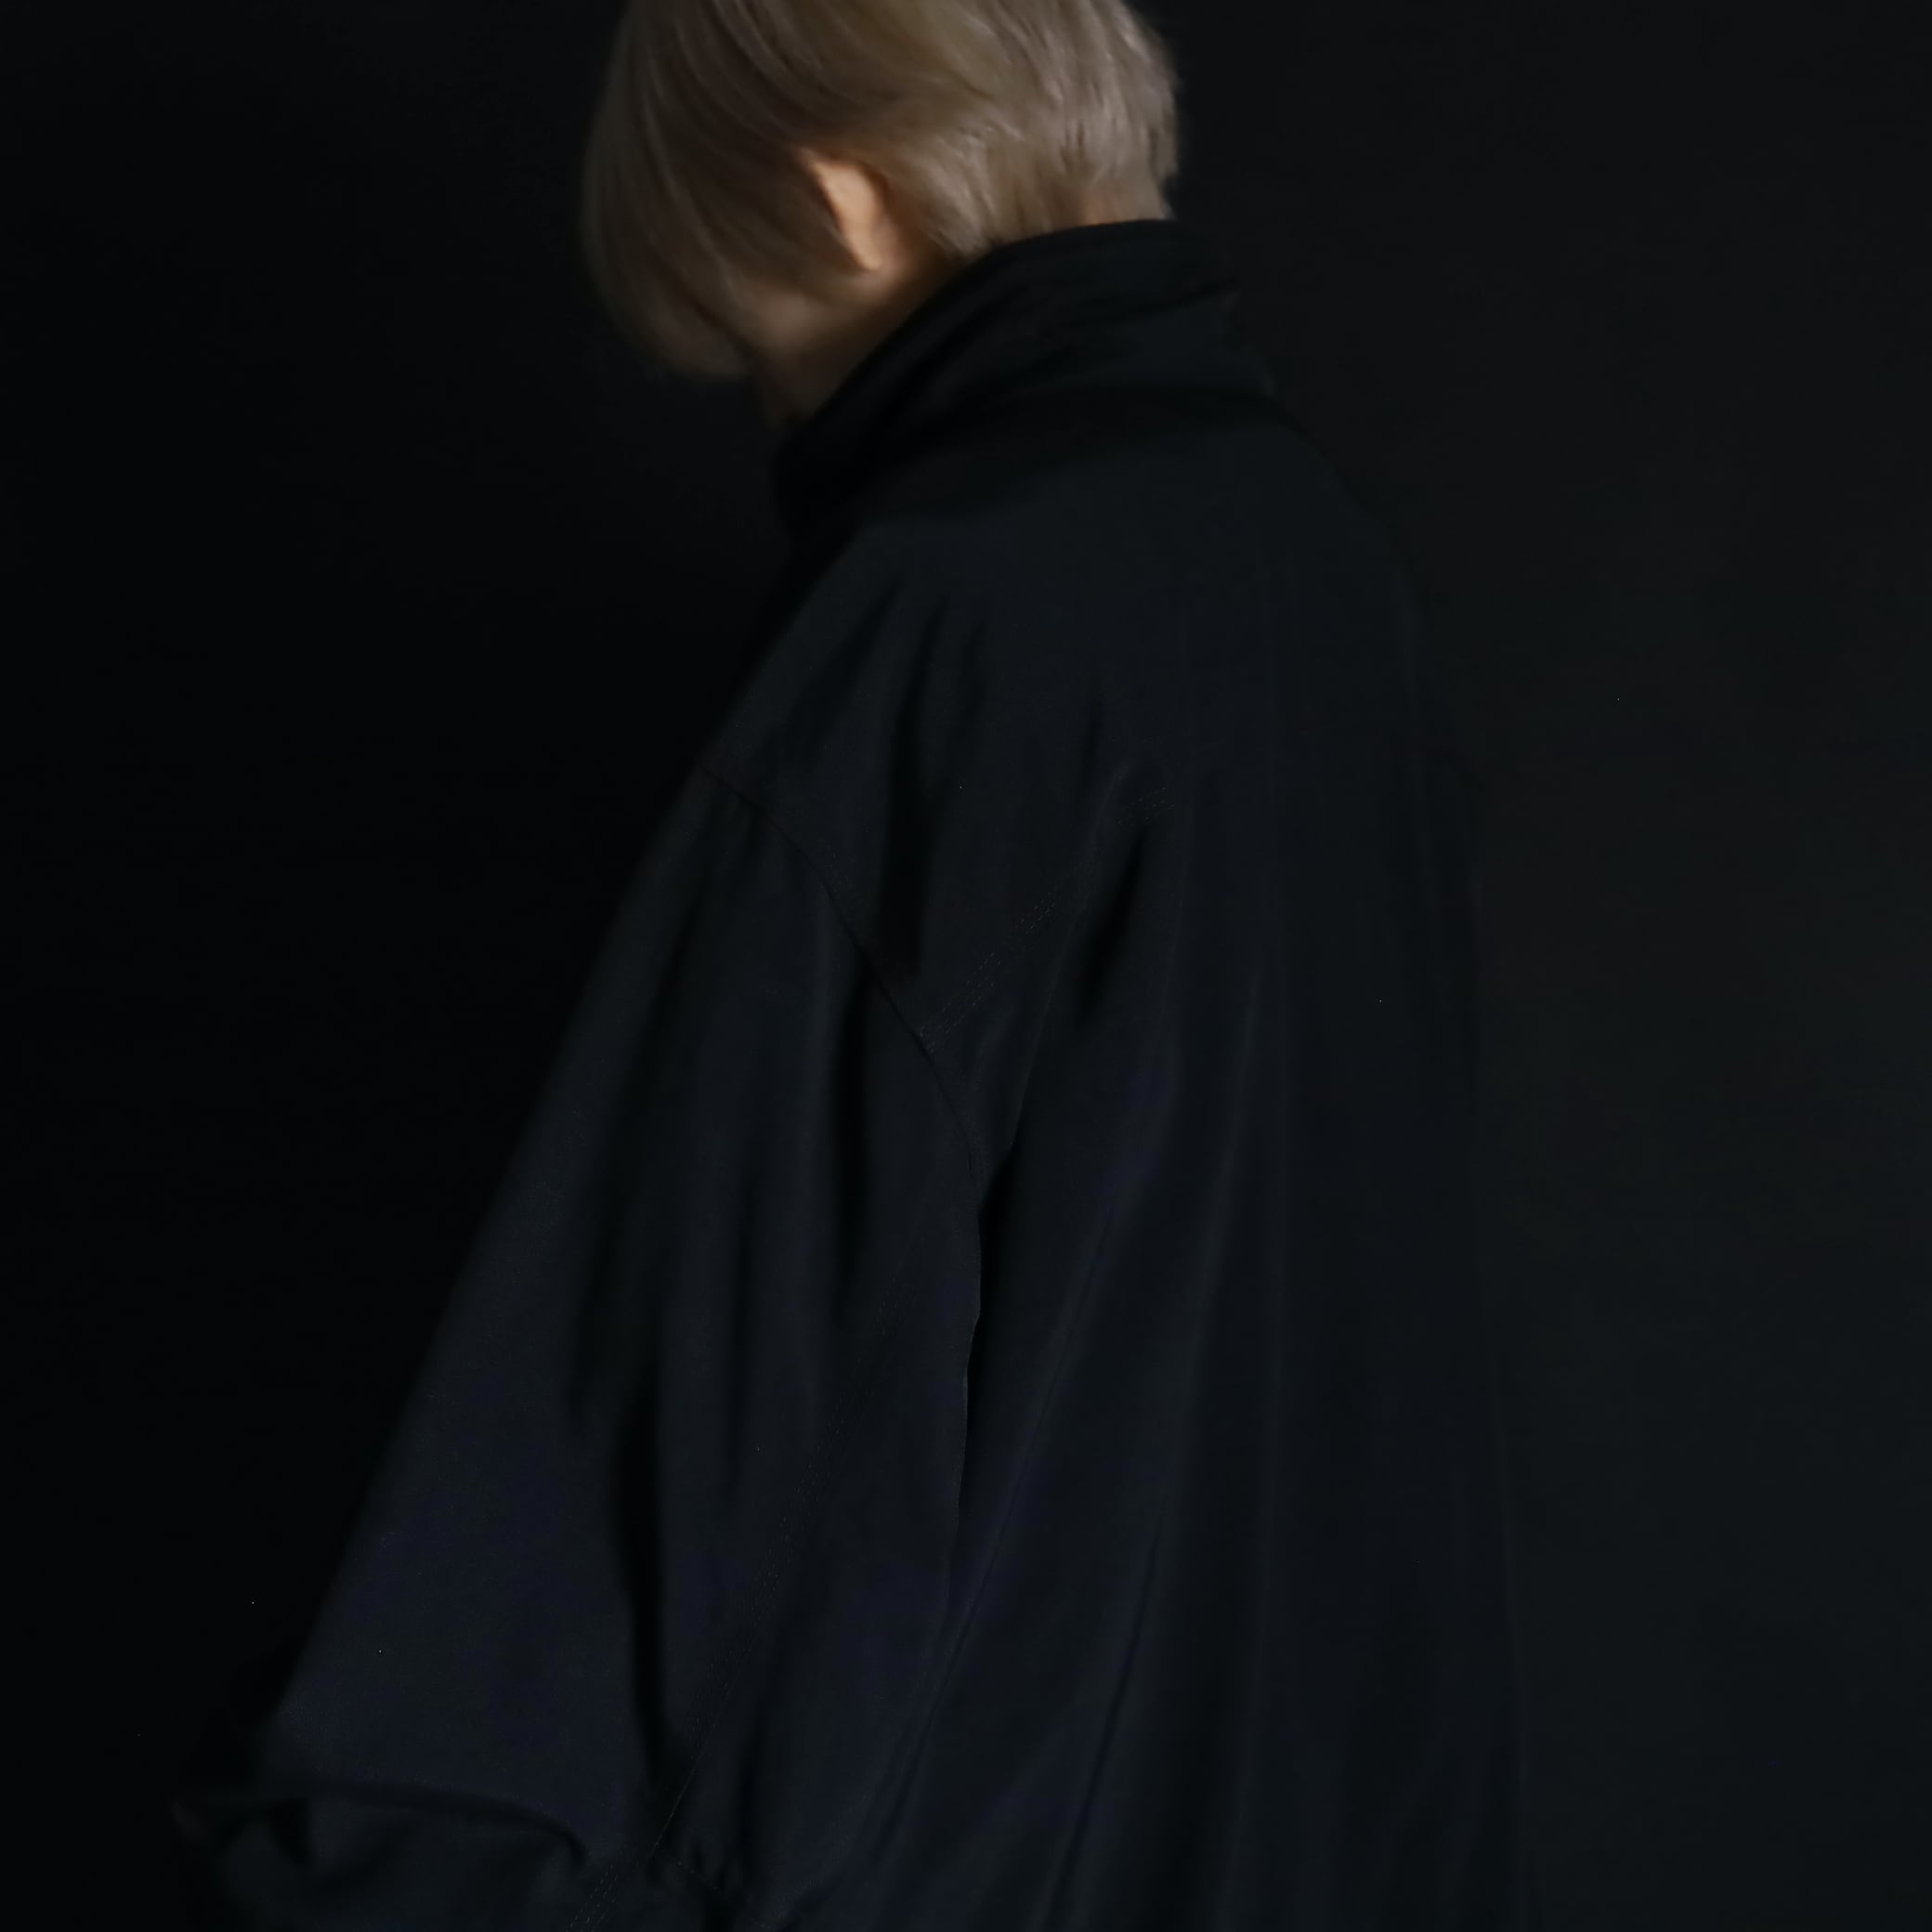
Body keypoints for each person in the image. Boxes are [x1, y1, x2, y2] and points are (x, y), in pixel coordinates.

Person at [175, 2, 1535, 1926]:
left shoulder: (949, 603)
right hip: (1302, 1829)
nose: (775, 417)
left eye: (749, 351)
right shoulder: (1323, 567)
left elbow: (711, 1406)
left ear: (843, 205)